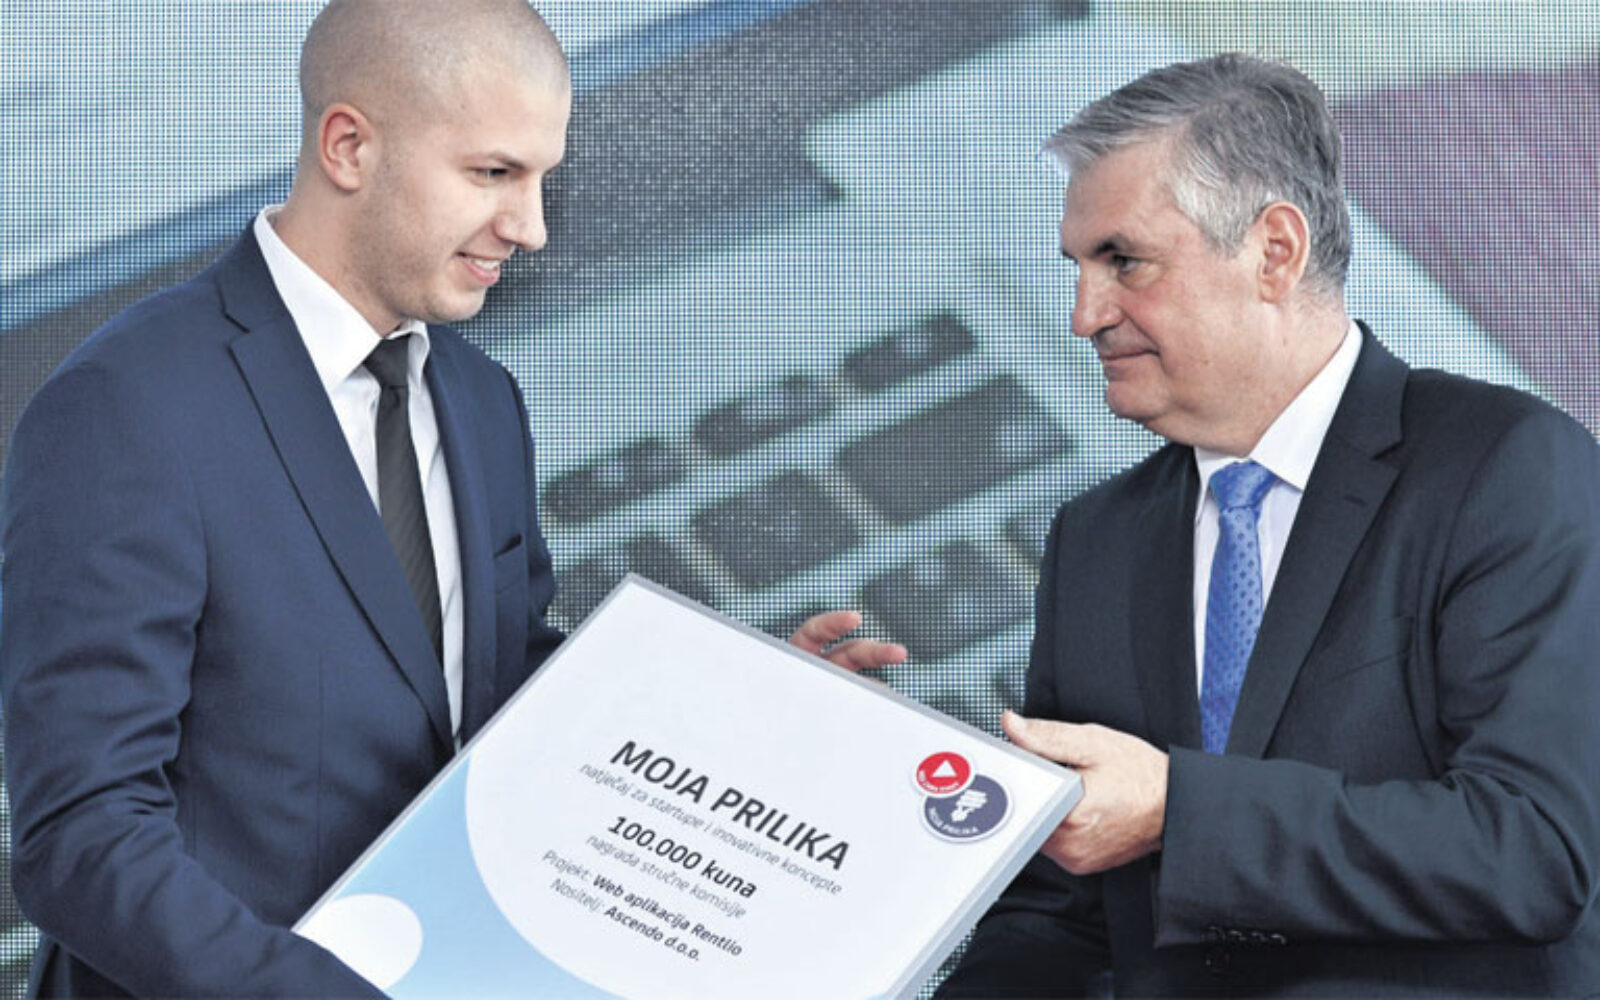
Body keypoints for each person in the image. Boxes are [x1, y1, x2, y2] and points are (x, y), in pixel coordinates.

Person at [0, 2, 902, 996]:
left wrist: (730, 715)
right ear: (349, 147)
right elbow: (82, 839)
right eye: (493, 173)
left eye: (541, 179)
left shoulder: (477, 399)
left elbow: (486, 693)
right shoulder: (128, 406)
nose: (532, 228)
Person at [939, 52, 1600, 995]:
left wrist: (1181, 812)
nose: (1084, 315)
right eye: (1077, 268)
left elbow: (1533, 849)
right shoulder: (1094, 540)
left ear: (1275, 252)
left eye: (1123, 261)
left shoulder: (1502, 464)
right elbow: (1061, 912)